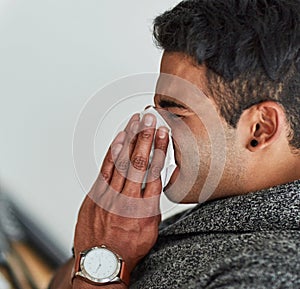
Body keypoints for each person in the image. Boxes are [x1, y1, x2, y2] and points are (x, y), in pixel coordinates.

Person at [50, 0, 300, 288]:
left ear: (259, 129)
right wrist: (103, 244)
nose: (153, 125)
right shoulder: (224, 214)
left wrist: (105, 258)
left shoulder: (271, 274)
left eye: (175, 110)